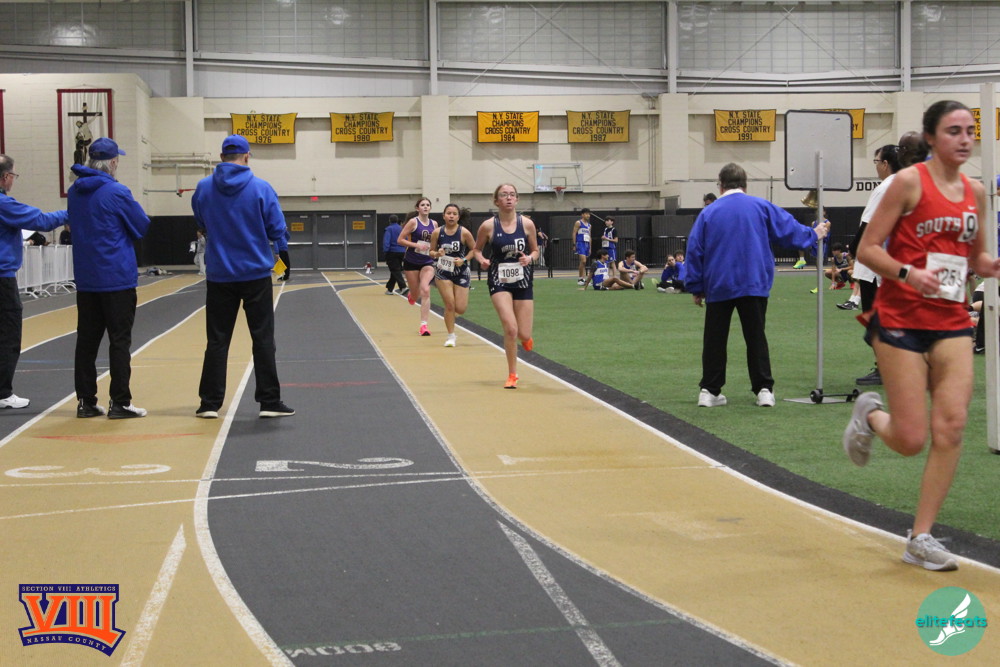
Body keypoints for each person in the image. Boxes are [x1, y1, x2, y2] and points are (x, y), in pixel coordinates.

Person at [843, 100, 1000, 572]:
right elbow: (867, 250)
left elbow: (977, 257)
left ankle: (921, 537)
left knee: (951, 426)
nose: (965, 139)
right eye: (954, 131)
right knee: (911, 439)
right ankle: (870, 415)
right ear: (931, 138)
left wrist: (990, 265)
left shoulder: (976, 192)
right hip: (901, 319)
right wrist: (910, 274)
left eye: (970, 130)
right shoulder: (907, 183)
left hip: (951, 320)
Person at [686, 162, 829, 408]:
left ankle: (709, 391)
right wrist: (814, 233)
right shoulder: (761, 206)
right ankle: (764, 389)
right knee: (756, 337)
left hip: (719, 284)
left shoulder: (708, 213)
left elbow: (695, 250)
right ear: (745, 184)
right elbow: (788, 230)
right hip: (753, 282)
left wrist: (696, 287)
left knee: (714, 339)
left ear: (720, 186)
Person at [191, 134, 294, 419]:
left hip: (219, 275)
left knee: (217, 340)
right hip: (255, 273)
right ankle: (269, 401)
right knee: (263, 338)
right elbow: (276, 229)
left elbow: (201, 221)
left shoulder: (203, 188)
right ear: (247, 156)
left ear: (221, 157)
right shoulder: (261, 188)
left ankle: (209, 403)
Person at [68, 137, 151, 419]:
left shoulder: (75, 191)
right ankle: (120, 402)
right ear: (113, 162)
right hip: (116, 277)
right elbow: (141, 225)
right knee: (119, 341)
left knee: (86, 342)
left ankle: (86, 402)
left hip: (87, 278)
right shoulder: (117, 191)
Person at [0, 154, 69, 409]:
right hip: (2, 278)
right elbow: (42, 221)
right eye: (14, 176)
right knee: (8, 336)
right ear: (5, 177)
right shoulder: (5, 204)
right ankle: (3, 392)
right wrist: (73, 211)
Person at [842, 145, 904, 388]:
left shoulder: (885, 187)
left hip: (875, 264)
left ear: (886, 164)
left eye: (877, 162)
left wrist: (853, 250)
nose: (876, 167)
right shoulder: (908, 185)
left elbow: (867, 224)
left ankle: (885, 368)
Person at [474, 183, 538, 388]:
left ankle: (526, 338)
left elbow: (535, 250)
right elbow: (476, 250)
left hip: (523, 280)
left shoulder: (527, 224)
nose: (509, 198)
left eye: (512, 195)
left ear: (517, 199)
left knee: (523, 334)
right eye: (504, 195)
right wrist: (482, 260)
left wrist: (529, 258)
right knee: (510, 328)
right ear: (496, 201)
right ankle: (512, 374)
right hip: (498, 280)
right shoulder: (488, 226)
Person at [430, 204, 475, 347]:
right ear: (443, 216)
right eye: (448, 213)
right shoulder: (437, 232)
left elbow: (475, 250)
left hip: (461, 271)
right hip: (443, 271)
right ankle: (451, 336)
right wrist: (437, 254)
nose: (451, 216)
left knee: (460, 308)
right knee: (449, 304)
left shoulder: (464, 233)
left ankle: (449, 317)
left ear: (458, 217)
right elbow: (431, 251)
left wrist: (464, 260)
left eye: (454, 214)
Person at [398, 198, 438, 336]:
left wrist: (437, 250)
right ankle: (412, 294)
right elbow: (400, 240)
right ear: (417, 208)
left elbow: (436, 241)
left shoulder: (434, 224)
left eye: (427, 205)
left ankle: (424, 325)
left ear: (430, 208)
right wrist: (416, 245)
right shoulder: (413, 222)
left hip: (427, 261)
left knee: (425, 290)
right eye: (422, 205)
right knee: (416, 296)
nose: (425, 207)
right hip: (412, 261)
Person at [382, 214, 407, 295]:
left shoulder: (388, 229)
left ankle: (403, 286)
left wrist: (386, 252)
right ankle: (389, 289)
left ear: (389, 220)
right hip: (402, 251)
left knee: (395, 270)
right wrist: (404, 249)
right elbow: (406, 239)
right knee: (396, 270)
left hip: (392, 252)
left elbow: (386, 241)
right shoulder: (402, 229)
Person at [572, 208, 592, 285]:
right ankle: (580, 279)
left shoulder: (589, 225)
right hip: (580, 243)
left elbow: (589, 236)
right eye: (586, 214)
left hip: (586, 244)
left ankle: (583, 279)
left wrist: (590, 247)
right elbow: (574, 233)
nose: (588, 215)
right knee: (583, 261)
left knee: (584, 262)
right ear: (582, 215)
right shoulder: (578, 223)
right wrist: (574, 244)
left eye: (589, 214)